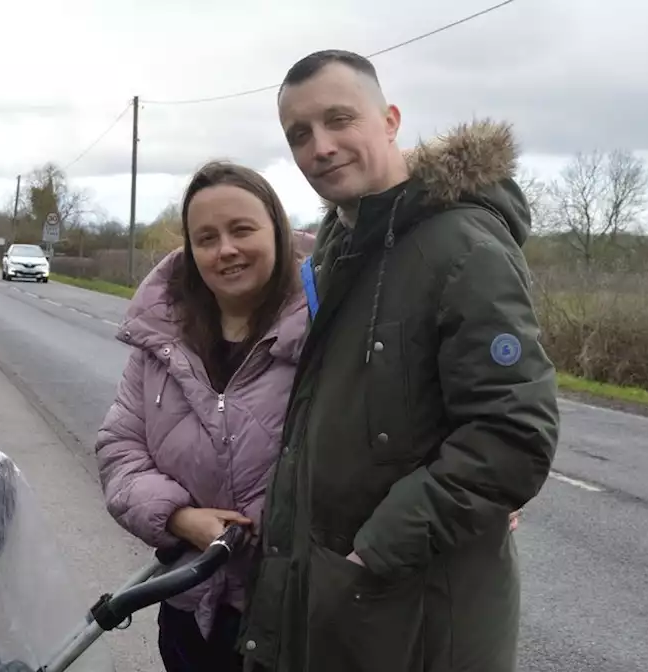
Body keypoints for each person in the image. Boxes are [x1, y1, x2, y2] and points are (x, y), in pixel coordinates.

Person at [238, 50, 561, 672]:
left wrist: (376, 550)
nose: (321, 147)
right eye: (299, 134)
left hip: (418, 620)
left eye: (339, 120)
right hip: (345, 605)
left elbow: (512, 436)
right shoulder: (338, 250)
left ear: (389, 119)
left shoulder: (464, 246)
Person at [94, 160, 309, 672]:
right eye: (206, 237)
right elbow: (119, 448)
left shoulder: (328, 329)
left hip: (292, 612)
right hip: (190, 606)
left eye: (242, 230)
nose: (226, 249)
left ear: (276, 230)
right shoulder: (161, 343)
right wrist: (178, 518)